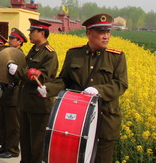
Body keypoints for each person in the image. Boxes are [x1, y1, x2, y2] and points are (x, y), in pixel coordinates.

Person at [45, 14, 128, 163]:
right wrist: (48, 89)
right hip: (76, 120)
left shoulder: (116, 57)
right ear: (89, 33)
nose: (106, 36)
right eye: (101, 32)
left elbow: (121, 84)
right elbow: (64, 80)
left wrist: (99, 91)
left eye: (108, 32)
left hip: (105, 120)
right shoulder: (74, 54)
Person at [8, 18, 59, 163]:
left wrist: (18, 71)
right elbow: (26, 70)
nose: (29, 34)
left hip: (39, 104)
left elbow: (41, 77)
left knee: (37, 144)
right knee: (25, 140)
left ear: (42, 33)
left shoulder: (49, 54)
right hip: (25, 102)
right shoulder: (33, 50)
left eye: (32, 32)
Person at [0, 28, 27, 159]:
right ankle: (4, 145)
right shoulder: (8, 54)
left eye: (13, 38)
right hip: (5, 90)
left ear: (19, 41)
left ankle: (12, 149)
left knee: (13, 123)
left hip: (15, 92)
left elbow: (21, 74)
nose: (10, 40)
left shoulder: (20, 56)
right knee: (3, 120)